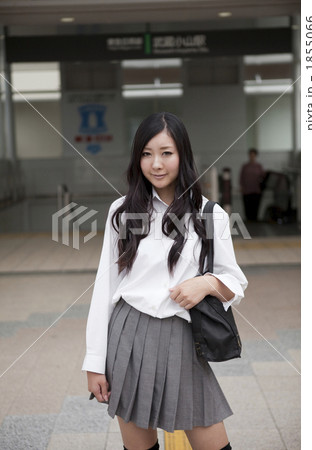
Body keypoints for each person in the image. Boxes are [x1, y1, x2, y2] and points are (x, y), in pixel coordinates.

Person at [82, 112, 248, 450]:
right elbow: (105, 288)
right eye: (146, 153)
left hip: (183, 336)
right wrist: (94, 363)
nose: (155, 164)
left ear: (182, 155)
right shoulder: (121, 211)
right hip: (128, 335)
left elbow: (235, 280)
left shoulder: (208, 213)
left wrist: (205, 284)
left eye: (166, 153)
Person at [239, 148, 265, 221]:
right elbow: (241, 177)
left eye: (253, 155)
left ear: (256, 156)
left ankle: (255, 221)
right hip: (246, 190)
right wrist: (241, 186)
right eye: (250, 155)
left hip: (256, 190)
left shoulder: (259, 166)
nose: (252, 156)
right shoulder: (245, 166)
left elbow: (263, 176)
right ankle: (249, 221)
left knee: (255, 207)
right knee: (247, 207)